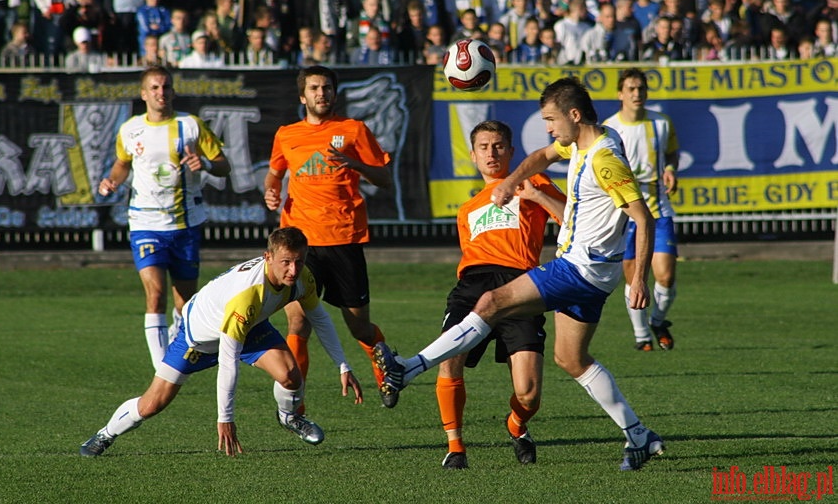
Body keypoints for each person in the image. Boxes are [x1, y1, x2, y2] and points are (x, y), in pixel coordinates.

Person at [374, 77, 666, 472]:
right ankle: (639, 436)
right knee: (571, 359)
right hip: (591, 272)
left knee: (492, 303)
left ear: (574, 115)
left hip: (581, 268)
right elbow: (543, 155)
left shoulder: (604, 158)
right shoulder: (584, 139)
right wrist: (511, 182)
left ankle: (407, 368)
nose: (548, 127)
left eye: (551, 119)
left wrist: (639, 278)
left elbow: (642, 217)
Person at [79, 227, 364, 458]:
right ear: (268, 257)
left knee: (291, 376)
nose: (293, 269)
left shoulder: (303, 278)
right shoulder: (247, 295)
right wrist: (224, 418)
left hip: (247, 325)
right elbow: (228, 361)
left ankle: (289, 418)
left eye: (299, 261)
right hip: (199, 337)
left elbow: (321, 318)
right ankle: (106, 434)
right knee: (152, 404)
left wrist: (342, 365)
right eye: (285, 262)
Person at [434, 120, 565, 470]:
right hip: (472, 285)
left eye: (498, 146)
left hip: (521, 284)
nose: (491, 153)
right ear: (474, 156)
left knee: (529, 392)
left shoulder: (533, 181)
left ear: (510, 151)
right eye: (483, 147)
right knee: (450, 359)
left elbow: (572, 221)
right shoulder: (468, 210)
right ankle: (455, 447)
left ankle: (516, 426)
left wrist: (536, 194)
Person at [264, 66, 395, 408]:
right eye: (314, 88)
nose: (321, 93)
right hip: (301, 245)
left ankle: (386, 373)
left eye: (326, 87)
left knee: (359, 327)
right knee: (298, 319)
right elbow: (274, 173)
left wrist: (354, 164)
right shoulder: (287, 134)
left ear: (335, 93)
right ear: (302, 96)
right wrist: (271, 191)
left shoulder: (353, 130)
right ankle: (296, 400)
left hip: (343, 238)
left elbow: (384, 179)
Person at [97, 66, 231, 370]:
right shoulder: (130, 129)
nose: (161, 93)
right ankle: (163, 369)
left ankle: (174, 333)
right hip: (145, 224)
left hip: (185, 224)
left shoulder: (191, 126)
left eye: (166, 87)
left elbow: (224, 166)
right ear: (144, 94)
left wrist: (206, 165)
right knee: (155, 294)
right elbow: (122, 164)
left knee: (185, 304)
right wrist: (112, 180)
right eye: (155, 88)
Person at [602, 69, 680, 351]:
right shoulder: (609, 128)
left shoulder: (661, 123)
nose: (637, 94)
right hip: (625, 213)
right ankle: (641, 335)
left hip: (658, 210)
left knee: (666, 275)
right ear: (620, 94)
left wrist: (670, 168)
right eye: (631, 89)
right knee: (634, 275)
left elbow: (672, 152)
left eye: (641, 89)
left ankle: (658, 320)